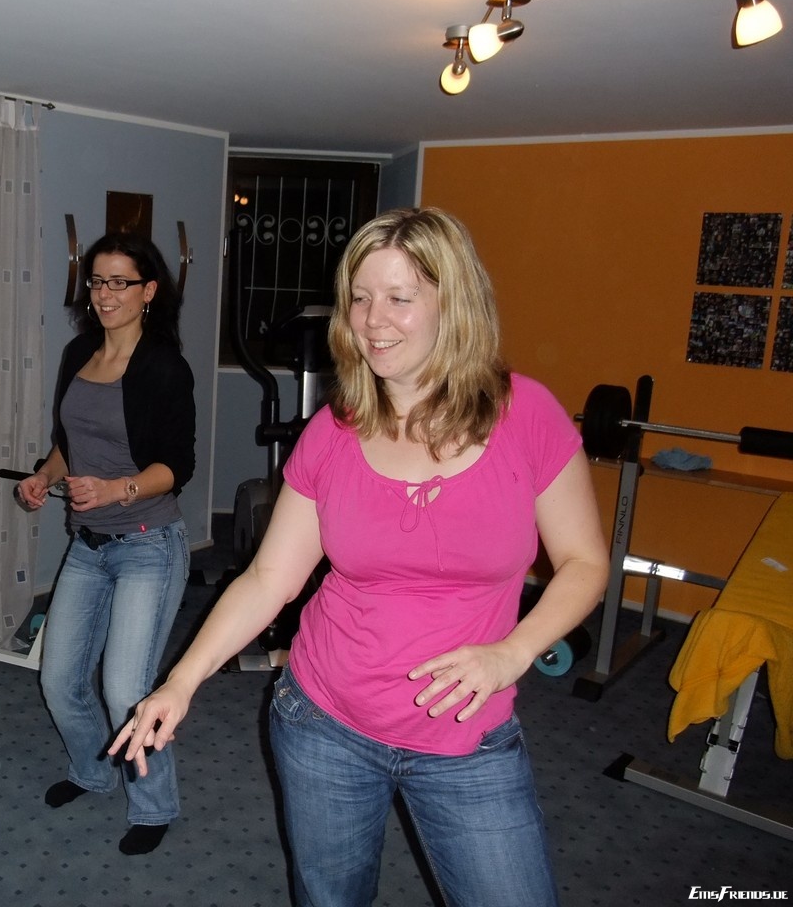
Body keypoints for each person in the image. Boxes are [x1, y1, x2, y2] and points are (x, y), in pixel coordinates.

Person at [111, 207, 609, 904]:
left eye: (400, 298)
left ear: (454, 304)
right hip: (324, 725)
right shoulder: (333, 432)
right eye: (361, 297)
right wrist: (180, 682)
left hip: (467, 739)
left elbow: (585, 563)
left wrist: (513, 652)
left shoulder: (526, 415)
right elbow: (269, 578)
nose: (374, 320)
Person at [17, 231, 195, 856]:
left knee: (127, 690)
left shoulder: (164, 367)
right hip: (88, 547)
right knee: (60, 678)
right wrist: (45, 475)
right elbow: (70, 440)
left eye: (121, 282)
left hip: (149, 543)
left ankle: (154, 805)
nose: (105, 293)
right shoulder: (78, 353)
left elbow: (177, 465)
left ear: (149, 291)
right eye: (97, 281)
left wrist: (118, 489)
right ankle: (92, 771)